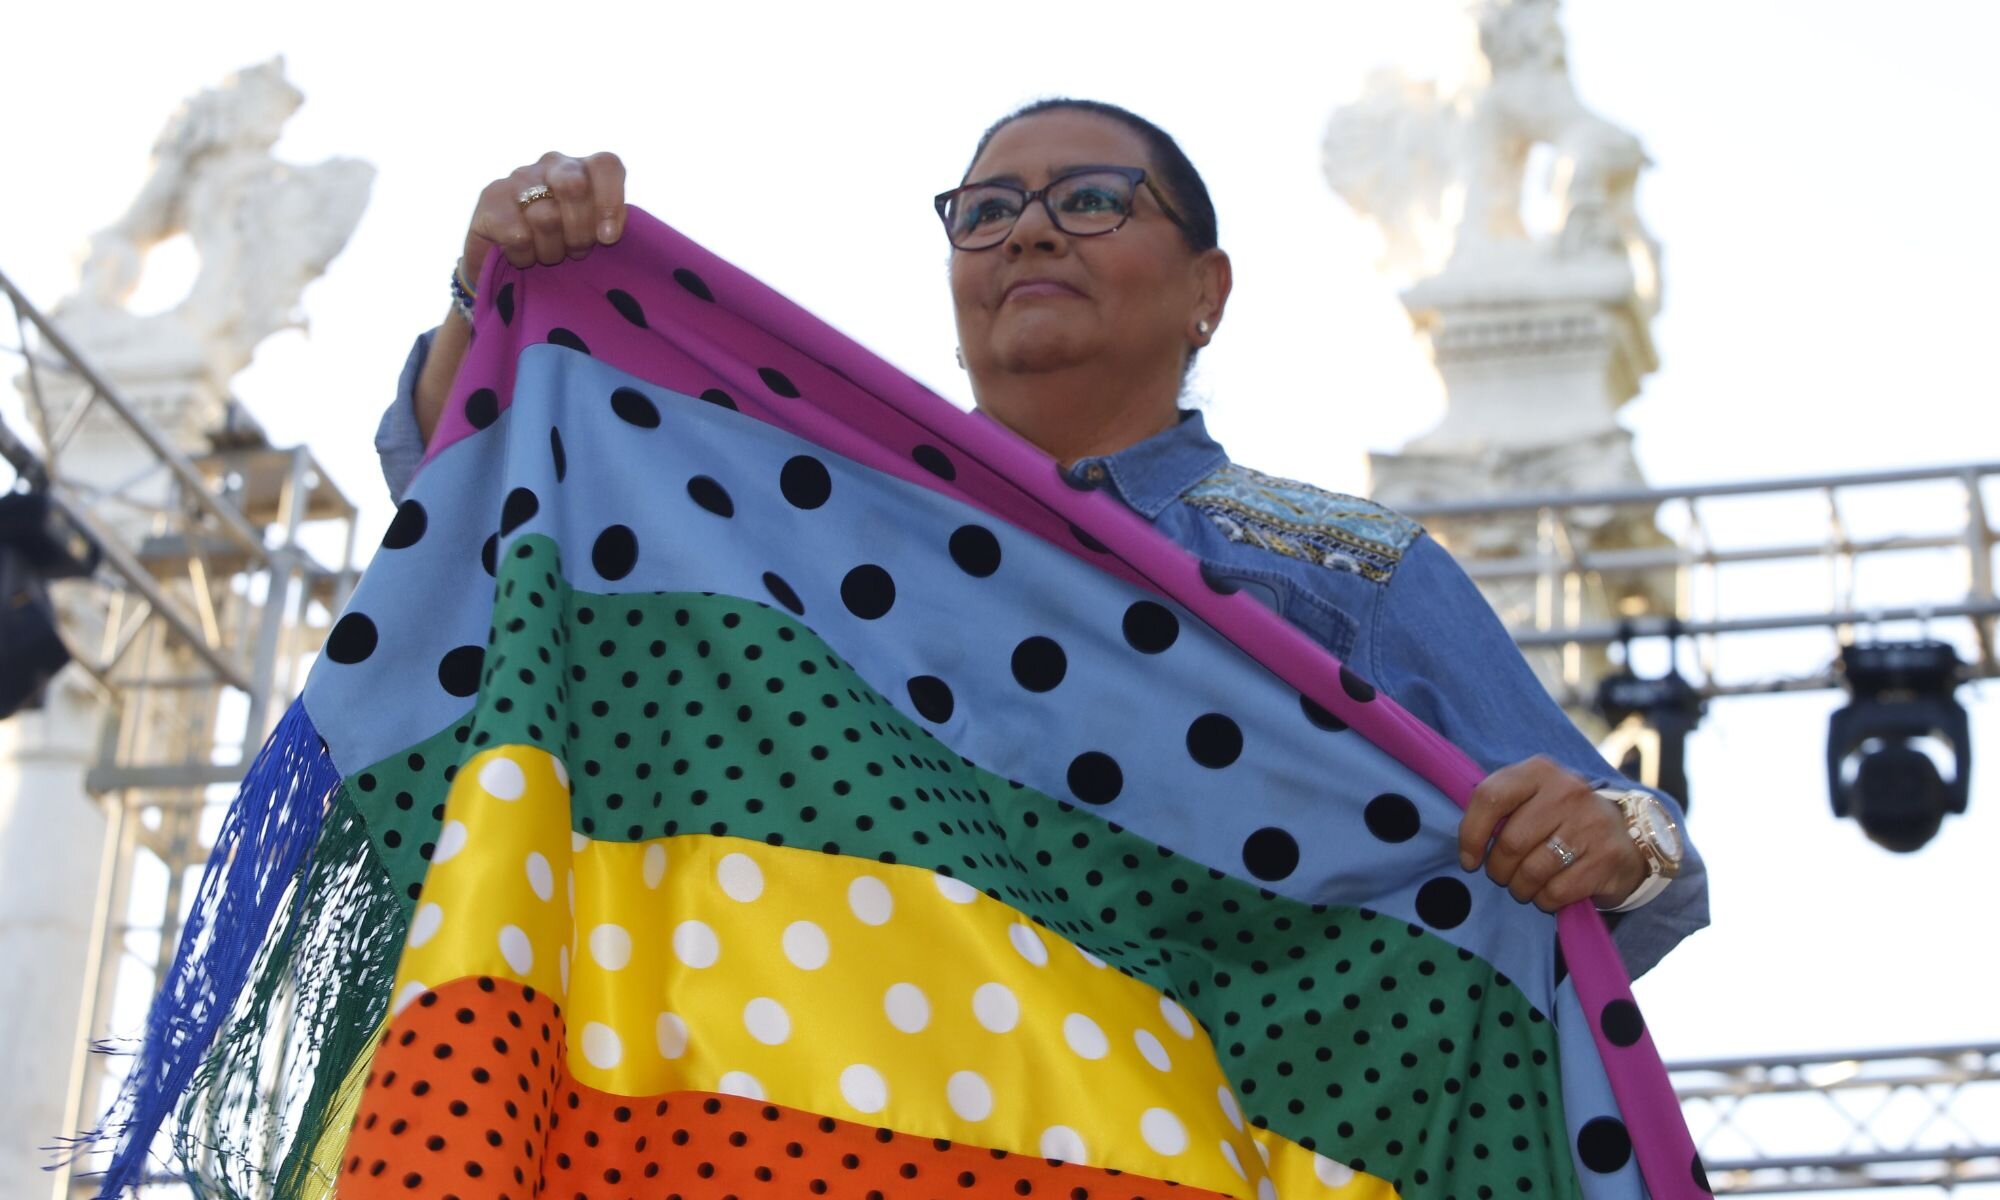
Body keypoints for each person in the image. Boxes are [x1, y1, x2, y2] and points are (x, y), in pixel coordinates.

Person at [374, 98, 1705, 978]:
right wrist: (496, 289)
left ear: (1208, 291)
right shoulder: (812, 510)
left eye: (1091, 200)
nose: (1026, 232)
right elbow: (487, 491)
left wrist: (1615, 836)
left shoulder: (1338, 569)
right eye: (988, 207)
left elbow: (1639, 859)